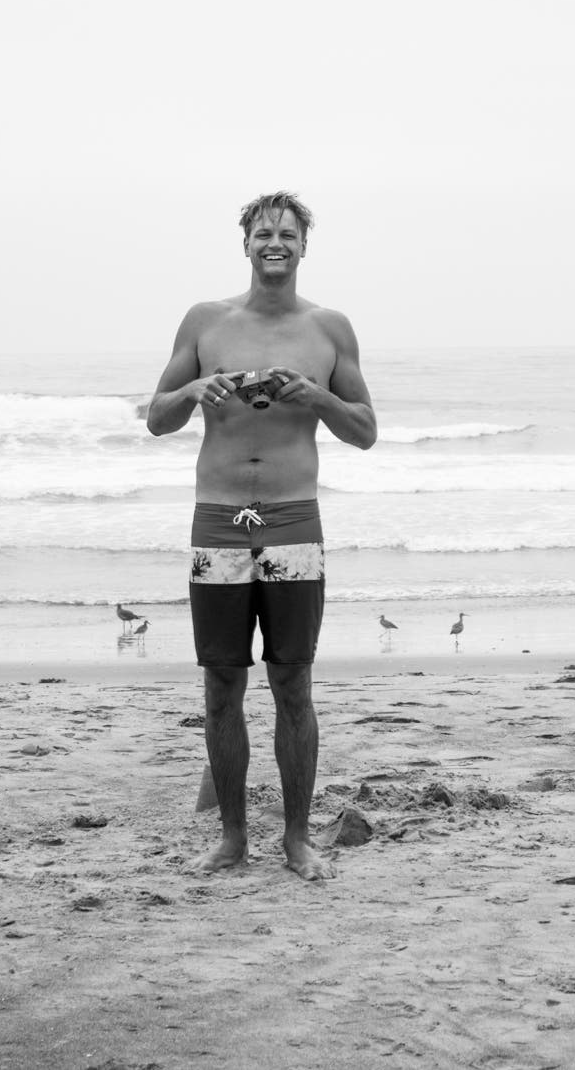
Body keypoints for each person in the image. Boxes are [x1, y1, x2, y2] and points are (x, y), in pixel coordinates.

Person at [146, 191, 377, 880]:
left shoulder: (329, 330)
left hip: (292, 520)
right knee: (221, 684)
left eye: (287, 233)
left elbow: (364, 430)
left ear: (305, 246)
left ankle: (298, 839)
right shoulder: (205, 321)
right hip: (218, 520)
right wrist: (193, 393)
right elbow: (155, 415)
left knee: (293, 683)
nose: (275, 242)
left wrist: (318, 398)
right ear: (245, 244)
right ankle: (233, 837)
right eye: (263, 233)